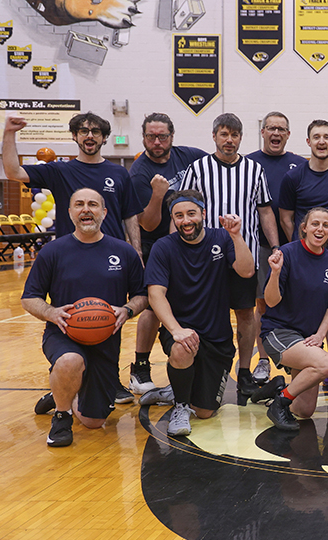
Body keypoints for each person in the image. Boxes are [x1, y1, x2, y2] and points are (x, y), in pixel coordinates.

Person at [21, 189, 147, 447]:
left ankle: (63, 390)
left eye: (93, 204)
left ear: (104, 212)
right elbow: (29, 298)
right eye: (79, 204)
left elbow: (142, 295)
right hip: (63, 333)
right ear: (70, 213)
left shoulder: (123, 252)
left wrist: (128, 309)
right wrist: (51, 313)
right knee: (70, 360)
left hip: (105, 340)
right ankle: (62, 415)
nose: (86, 209)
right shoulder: (53, 251)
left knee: (93, 422)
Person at [180, 113, 282, 397]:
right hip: (204, 256)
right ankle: (199, 369)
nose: (229, 140)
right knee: (202, 314)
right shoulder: (198, 169)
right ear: (214, 136)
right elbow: (184, 208)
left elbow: (264, 211)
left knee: (245, 314)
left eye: (235, 135)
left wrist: (275, 246)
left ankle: (245, 371)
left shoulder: (253, 169)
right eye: (224, 134)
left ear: (241, 138)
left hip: (243, 255)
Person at [144, 190, 255, 436]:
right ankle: (180, 405)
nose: (186, 221)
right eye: (179, 216)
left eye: (191, 214)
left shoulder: (222, 239)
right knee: (182, 349)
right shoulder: (163, 247)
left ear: (203, 214)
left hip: (217, 338)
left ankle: (178, 387)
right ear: (173, 219)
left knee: (205, 412)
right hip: (182, 331)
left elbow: (246, 271)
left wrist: (236, 235)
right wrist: (176, 330)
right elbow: (155, 294)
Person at [127, 113, 209, 395]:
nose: (157, 142)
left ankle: (197, 354)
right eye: (151, 136)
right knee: (152, 306)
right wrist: (158, 194)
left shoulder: (190, 156)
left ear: (172, 136)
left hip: (190, 240)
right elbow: (147, 223)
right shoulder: (139, 172)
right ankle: (140, 366)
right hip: (157, 244)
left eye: (162, 136)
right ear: (143, 138)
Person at [258, 208, 328, 431]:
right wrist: (275, 272)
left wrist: (320, 334)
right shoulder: (286, 254)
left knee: (304, 410)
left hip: (308, 337)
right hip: (279, 332)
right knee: (326, 363)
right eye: (315, 224)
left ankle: (278, 389)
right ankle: (280, 403)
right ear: (303, 228)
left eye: (326, 225)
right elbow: (271, 301)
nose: (320, 229)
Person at [2, 114, 142, 248]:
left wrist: (137, 253)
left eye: (96, 131)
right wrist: (9, 132)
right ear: (75, 136)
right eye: (83, 131)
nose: (90, 136)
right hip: (70, 255)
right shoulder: (59, 172)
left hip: (112, 256)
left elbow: (130, 216)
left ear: (104, 138)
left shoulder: (119, 173)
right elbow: (13, 172)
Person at [247, 112, 308, 385]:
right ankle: (262, 359)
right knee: (262, 303)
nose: (276, 133)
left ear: (288, 134)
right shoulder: (248, 163)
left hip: (295, 246)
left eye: (281, 129)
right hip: (259, 244)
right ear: (262, 131)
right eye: (271, 128)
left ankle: (298, 354)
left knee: (295, 302)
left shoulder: (299, 164)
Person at [278, 119, 328, 291]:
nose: (321, 141)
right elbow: (286, 219)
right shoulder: (293, 177)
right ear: (308, 142)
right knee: (303, 304)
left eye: (326, 137)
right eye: (316, 137)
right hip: (303, 255)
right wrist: (301, 241)